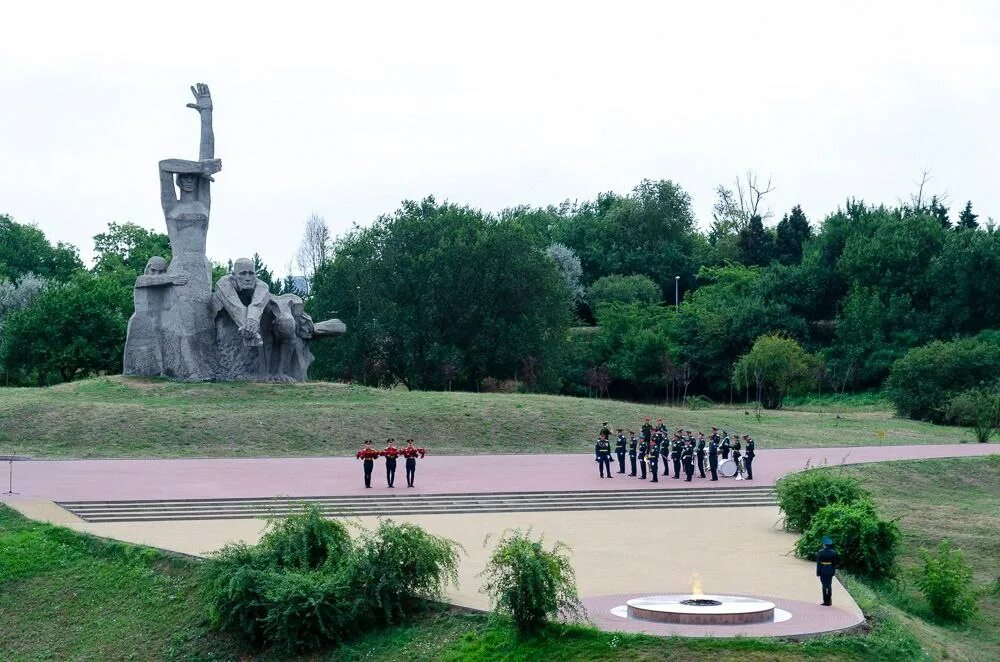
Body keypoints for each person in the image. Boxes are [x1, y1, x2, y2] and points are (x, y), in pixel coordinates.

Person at [816, 536, 838, 606]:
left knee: (824, 586)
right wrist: (833, 571)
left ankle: (825, 601)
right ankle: (829, 600)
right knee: (829, 585)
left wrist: (818, 572)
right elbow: (834, 563)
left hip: (823, 570)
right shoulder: (833, 552)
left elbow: (818, 563)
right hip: (830, 570)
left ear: (824, 544)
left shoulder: (820, 552)